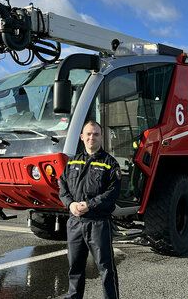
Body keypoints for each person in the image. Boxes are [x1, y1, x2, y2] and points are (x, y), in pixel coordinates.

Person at [58, 120, 121, 299]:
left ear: (101, 137)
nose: (91, 137)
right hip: (75, 223)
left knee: (106, 269)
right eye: (88, 134)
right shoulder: (72, 162)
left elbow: (112, 193)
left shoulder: (110, 164)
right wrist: (70, 204)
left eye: (96, 134)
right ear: (82, 137)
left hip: (98, 223)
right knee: (75, 268)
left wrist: (90, 205)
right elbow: (62, 187)